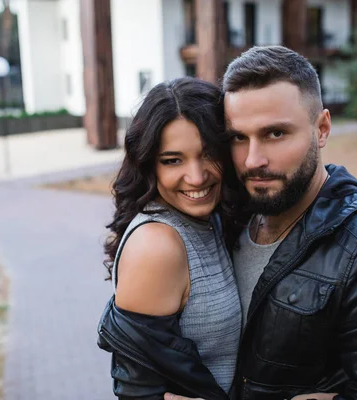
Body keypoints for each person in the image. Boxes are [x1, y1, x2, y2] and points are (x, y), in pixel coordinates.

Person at [166, 46, 357, 400]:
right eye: (238, 137)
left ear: (322, 129)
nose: (253, 160)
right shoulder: (225, 218)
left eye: (275, 134)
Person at [97, 77, 244, 399]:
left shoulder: (210, 219)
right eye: (172, 160)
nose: (196, 177)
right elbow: (139, 393)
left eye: (208, 154)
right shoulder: (157, 244)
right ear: (149, 164)